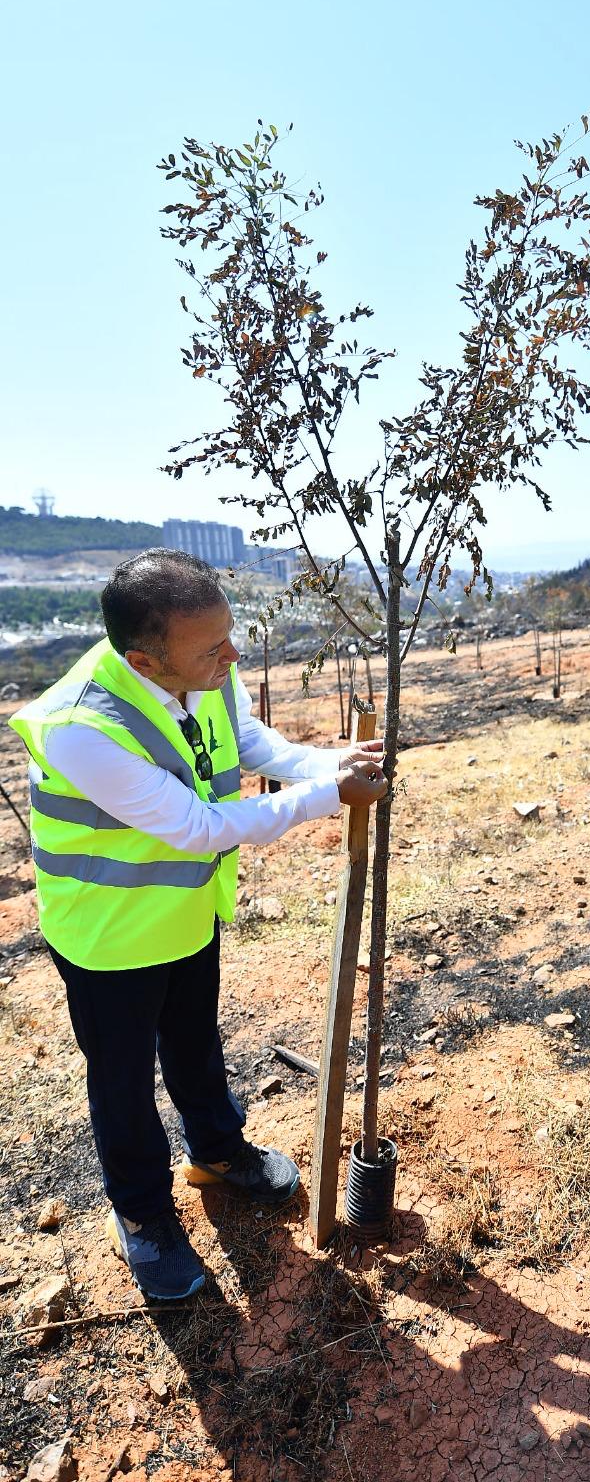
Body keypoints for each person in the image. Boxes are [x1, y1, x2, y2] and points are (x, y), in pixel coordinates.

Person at [10, 550, 387, 1301]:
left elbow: (248, 744)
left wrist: (327, 762)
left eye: (229, 634)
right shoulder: (84, 726)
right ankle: (143, 1215)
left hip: (182, 913)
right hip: (108, 935)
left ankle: (217, 1151)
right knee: (122, 1081)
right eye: (213, 647)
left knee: (194, 1040)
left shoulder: (205, 665)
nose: (233, 654)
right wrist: (327, 797)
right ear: (145, 660)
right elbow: (195, 825)